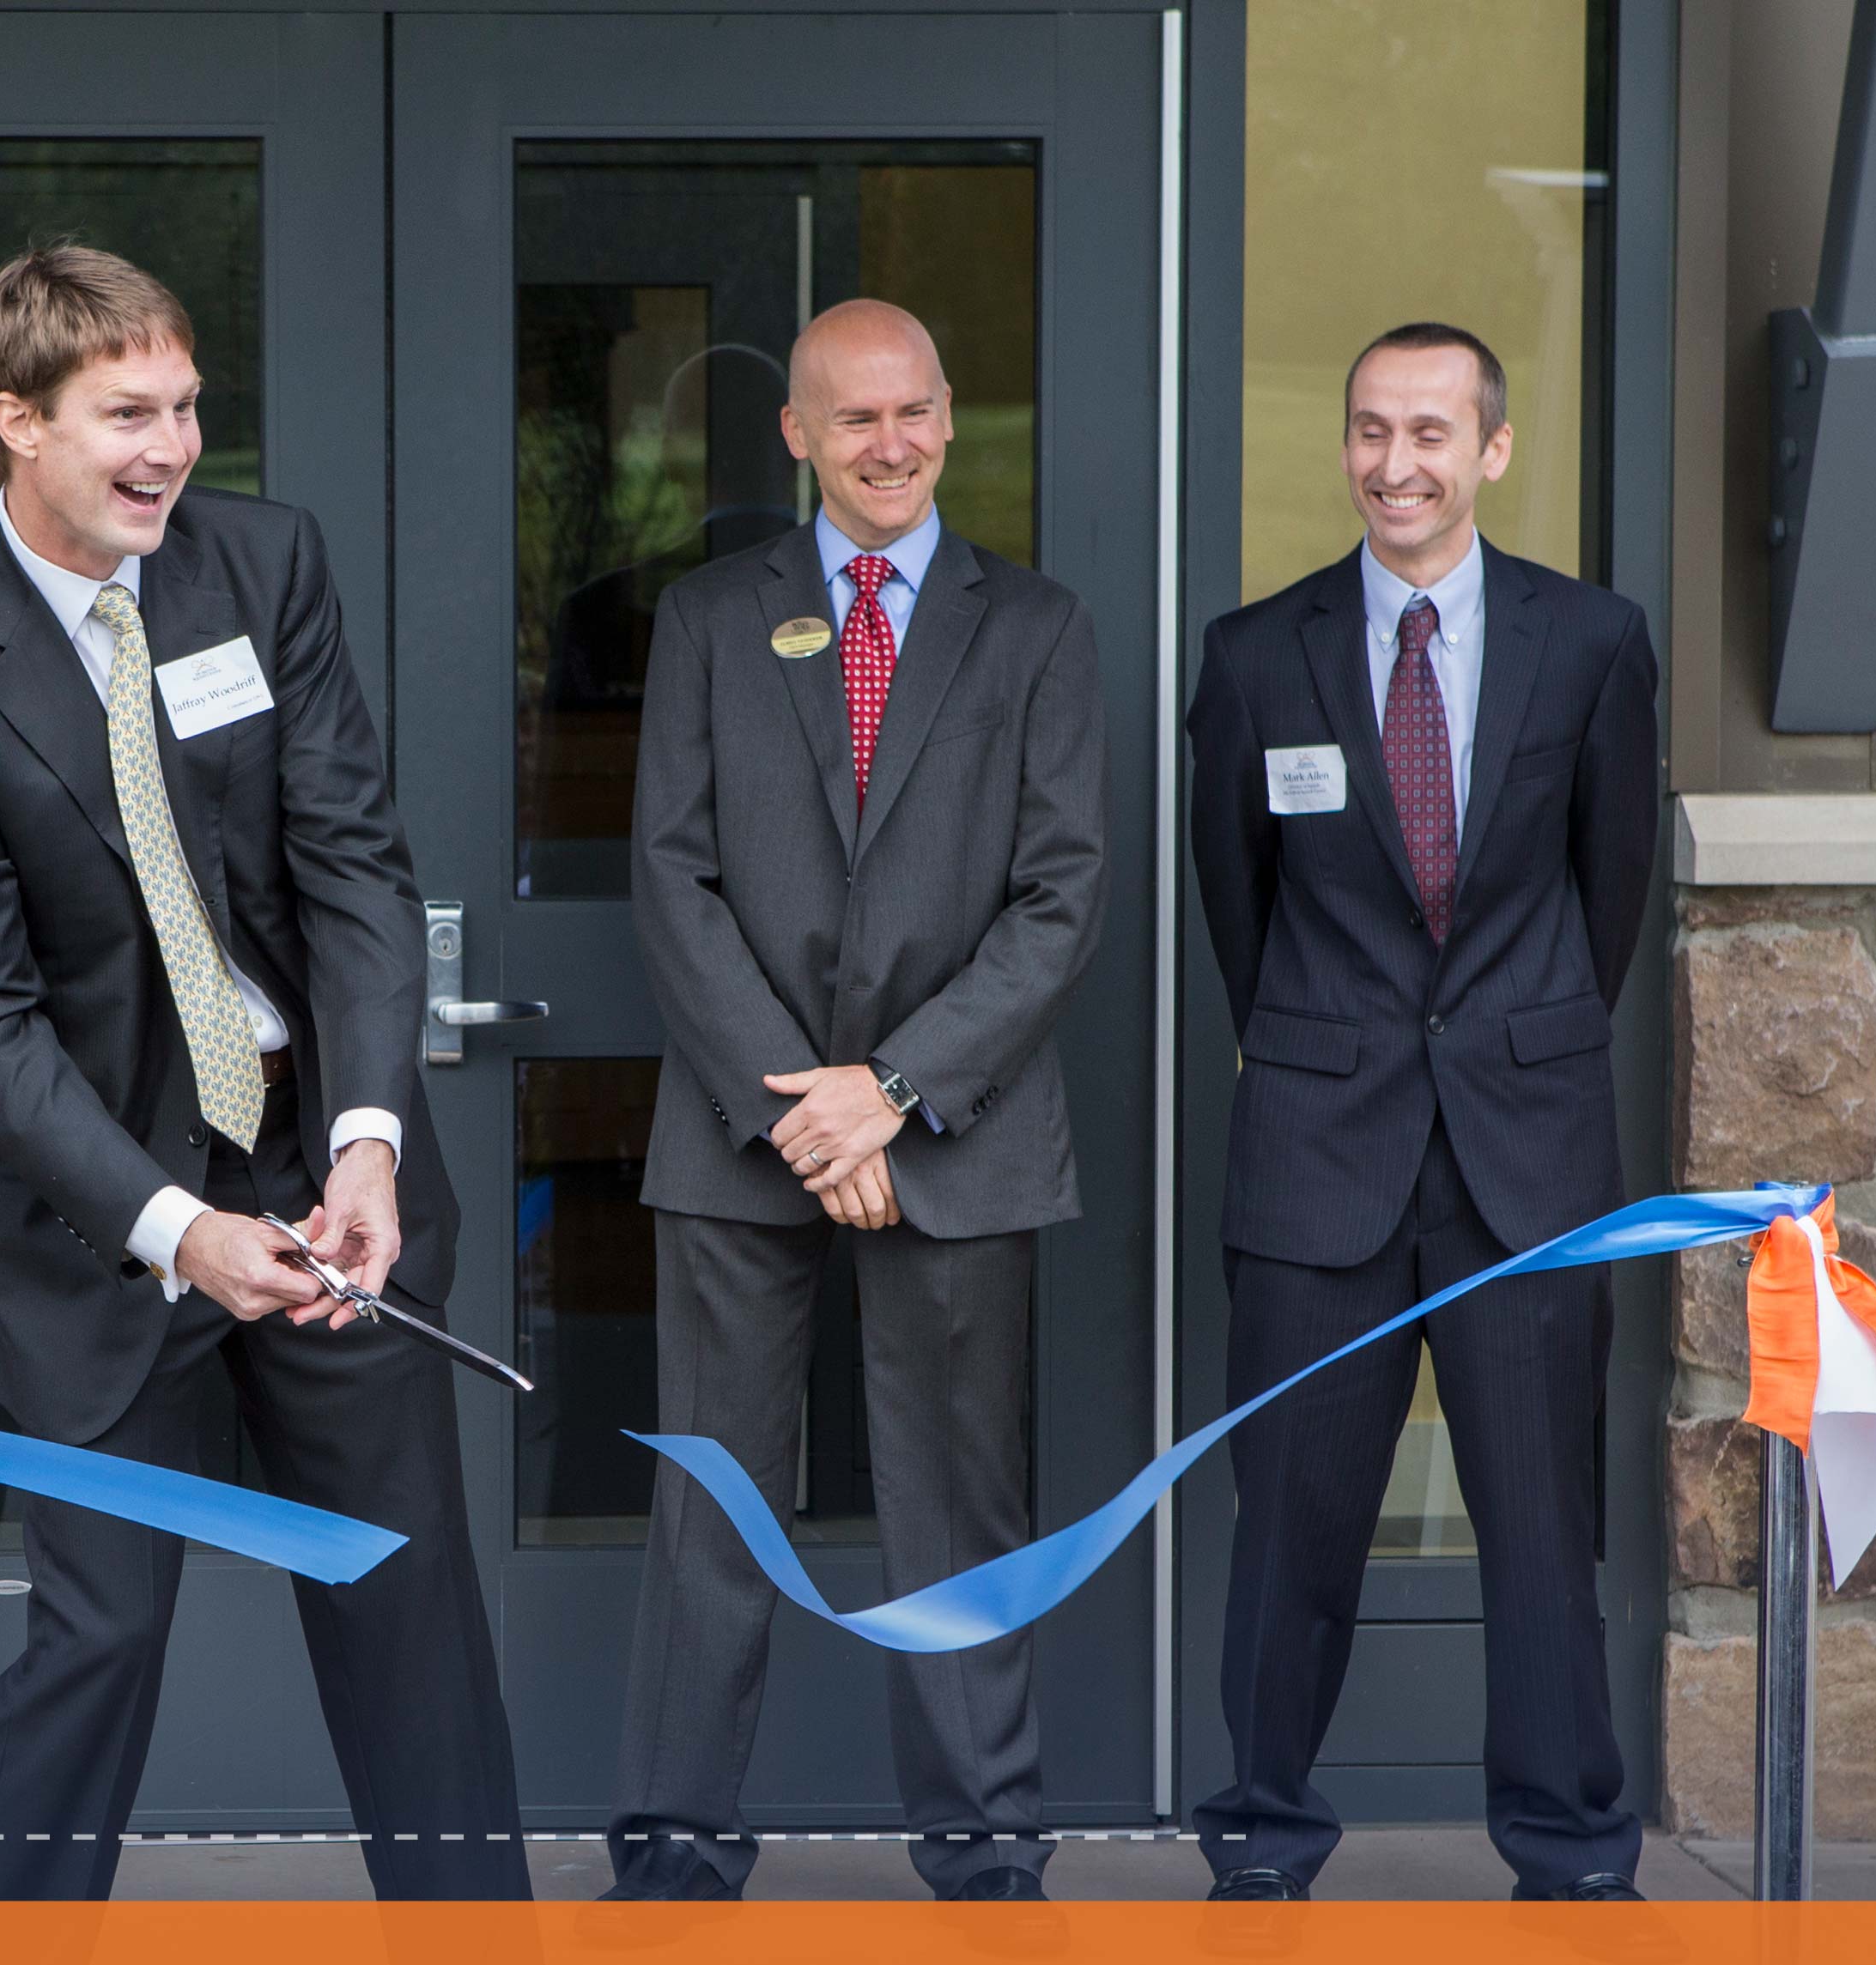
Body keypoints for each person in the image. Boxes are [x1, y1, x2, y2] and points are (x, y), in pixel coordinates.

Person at [0, 245, 528, 1901]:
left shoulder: (262, 564)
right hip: (109, 1226)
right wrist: (173, 1227)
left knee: (409, 1624)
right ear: (16, 420)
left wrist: (363, 1141)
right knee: (95, 1644)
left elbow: (353, 865)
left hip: (323, 1182)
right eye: (125, 412)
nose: (171, 446)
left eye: (187, 404)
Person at [607, 299, 1107, 1904]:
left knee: (958, 1508)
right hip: (742, 1132)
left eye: (914, 411)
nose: (888, 443)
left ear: (949, 415)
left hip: (957, 1136)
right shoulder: (706, 615)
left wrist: (889, 1092)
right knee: (713, 1506)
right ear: (795, 435)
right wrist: (805, 1116)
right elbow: (671, 878)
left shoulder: (1034, 626)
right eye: (853, 417)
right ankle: (676, 1847)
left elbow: (1060, 900)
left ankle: (985, 1850)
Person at [1186, 323, 1658, 1902]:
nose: (1399, 464)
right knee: (1289, 1541)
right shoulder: (1257, 654)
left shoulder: (1590, 641)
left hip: (1525, 1157)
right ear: (1344, 448)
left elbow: (1607, 904)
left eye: (1431, 433)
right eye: (1372, 431)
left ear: (1492, 451)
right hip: (1320, 1157)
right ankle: (1260, 1833)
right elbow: (1234, 919)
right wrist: (1337, 1053)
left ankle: (1570, 1849)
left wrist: (1502, 1047)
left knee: (1540, 1540)